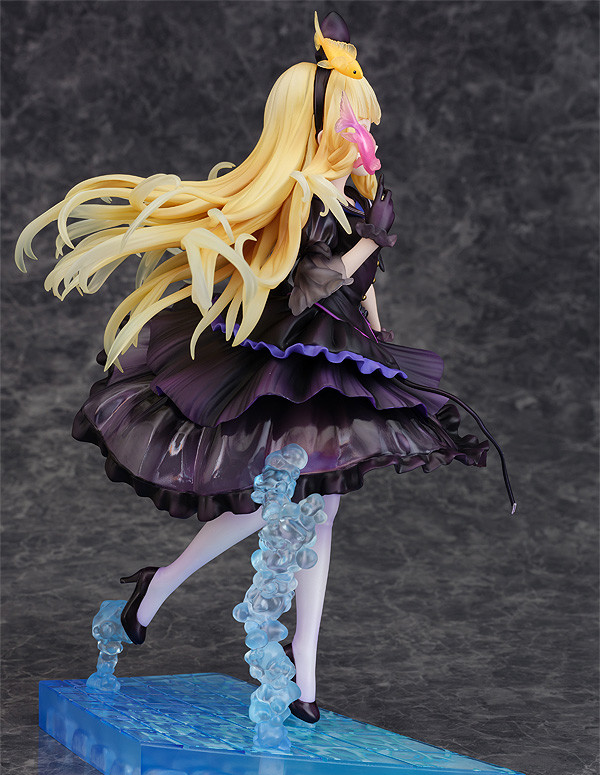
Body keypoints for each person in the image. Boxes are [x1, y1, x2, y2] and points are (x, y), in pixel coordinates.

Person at [16, 12, 512, 725]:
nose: (361, 132)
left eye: (362, 119)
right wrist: (364, 247)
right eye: (347, 118)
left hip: (343, 351)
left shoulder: (359, 190)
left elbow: (363, 285)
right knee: (259, 504)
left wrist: (378, 332)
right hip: (287, 354)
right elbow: (307, 286)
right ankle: (159, 586)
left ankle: (304, 673)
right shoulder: (298, 191)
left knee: (324, 509)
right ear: (310, 126)